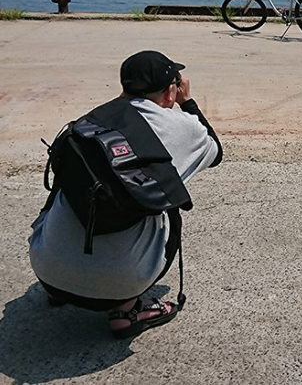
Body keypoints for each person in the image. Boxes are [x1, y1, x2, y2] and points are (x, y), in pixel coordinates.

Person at [28, 50, 222, 338]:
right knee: (167, 200)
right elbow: (215, 150)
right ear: (170, 91)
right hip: (120, 284)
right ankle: (126, 312)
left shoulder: (91, 121)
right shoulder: (179, 126)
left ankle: (62, 289)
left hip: (46, 270)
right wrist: (187, 102)